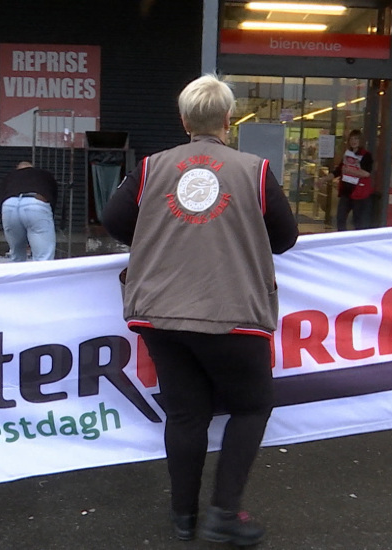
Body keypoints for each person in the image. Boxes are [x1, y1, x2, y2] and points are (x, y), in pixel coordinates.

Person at [102, 74, 298, 546]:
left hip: (160, 313)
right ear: (229, 120)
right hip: (232, 312)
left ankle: (183, 517)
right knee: (252, 407)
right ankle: (224, 513)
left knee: (186, 415)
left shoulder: (151, 168)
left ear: (185, 120)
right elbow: (286, 238)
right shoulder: (254, 170)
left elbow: (114, 221)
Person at [0, 161, 59, 261]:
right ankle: (41, 276)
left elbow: (1, 198)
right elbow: (53, 197)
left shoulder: (9, 176)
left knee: (16, 254)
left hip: (9, 205)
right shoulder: (43, 174)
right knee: (43, 257)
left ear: (17, 169)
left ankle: (18, 274)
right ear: (32, 168)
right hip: (35, 203)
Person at [333, 129, 374, 231]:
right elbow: (338, 171)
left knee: (358, 221)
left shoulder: (366, 155)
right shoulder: (347, 154)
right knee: (340, 218)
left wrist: (349, 171)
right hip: (346, 192)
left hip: (359, 193)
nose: (353, 141)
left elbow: (366, 173)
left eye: (356, 139)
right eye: (351, 139)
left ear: (361, 140)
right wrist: (324, 179)